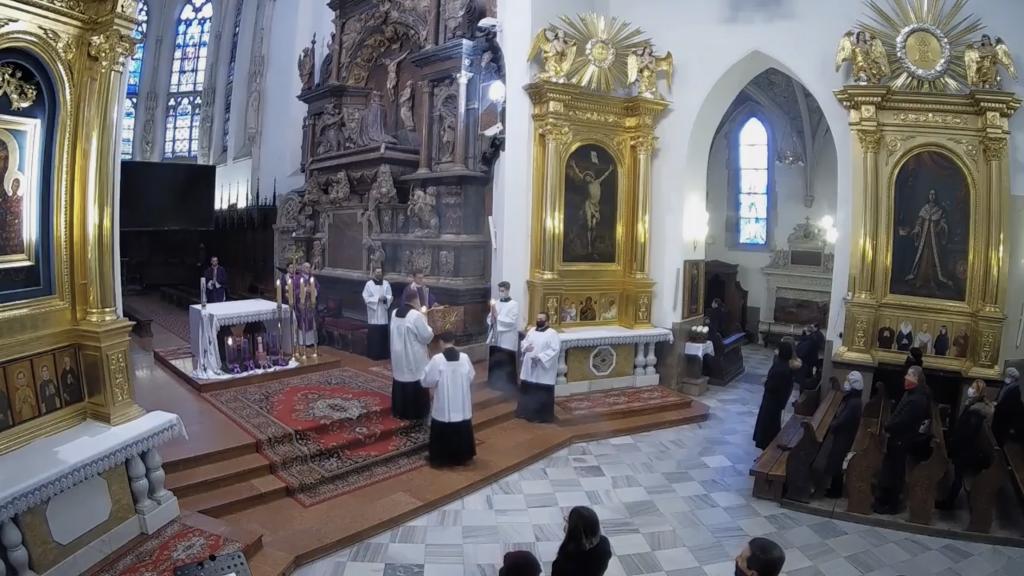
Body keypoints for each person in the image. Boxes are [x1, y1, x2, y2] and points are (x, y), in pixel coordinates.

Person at [874, 365, 932, 514]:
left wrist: (888, 426)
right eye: (907, 375)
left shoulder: (918, 399)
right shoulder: (911, 393)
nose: (906, 378)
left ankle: (893, 505)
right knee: (891, 469)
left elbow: (904, 421)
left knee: (896, 472)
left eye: (910, 375)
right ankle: (884, 499)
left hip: (902, 439)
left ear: (917, 379)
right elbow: (899, 412)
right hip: (898, 437)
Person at [936, 380, 994, 509]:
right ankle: (949, 500)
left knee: (958, 477)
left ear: (979, 392)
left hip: (965, 451)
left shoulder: (976, 412)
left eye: (974, 388)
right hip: (963, 448)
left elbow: (967, 434)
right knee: (957, 475)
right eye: (971, 387)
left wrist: (954, 445)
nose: (970, 390)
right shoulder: (973, 406)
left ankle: (949, 503)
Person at [421, 332, 476, 467]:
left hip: (444, 405)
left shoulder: (437, 360)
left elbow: (427, 380)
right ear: (454, 341)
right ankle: (462, 457)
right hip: (461, 403)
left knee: (442, 426)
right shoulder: (465, 358)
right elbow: (471, 376)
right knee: (461, 426)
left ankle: (441, 458)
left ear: (441, 342)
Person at [812, 371, 864, 498]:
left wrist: (831, 425)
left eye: (849, 381)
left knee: (837, 461)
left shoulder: (854, 403)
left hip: (844, 436)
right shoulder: (854, 399)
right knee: (836, 461)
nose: (846, 383)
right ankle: (834, 488)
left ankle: (836, 491)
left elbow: (843, 420)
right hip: (844, 435)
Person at [389, 290, 434, 420]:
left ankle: (399, 410)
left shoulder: (394, 312)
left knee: (401, 376)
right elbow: (426, 336)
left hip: (398, 354)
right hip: (412, 355)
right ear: (416, 300)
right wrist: (425, 318)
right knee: (415, 377)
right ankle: (417, 413)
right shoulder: (416, 315)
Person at [517, 312, 561, 423]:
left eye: (541, 319)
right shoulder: (532, 331)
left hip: (542, 368)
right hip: (529, 366)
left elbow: (554, 350)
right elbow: (524, 342)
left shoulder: (552, 334)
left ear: (547, 321)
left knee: (541, 390)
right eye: (537, 319)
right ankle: (525, 412)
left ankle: (541, 416)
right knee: (528, 387)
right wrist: (526, 347)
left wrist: (540, 357)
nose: (538, 321)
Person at [753, 341, 796, 450]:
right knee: (773, 425)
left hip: (772, 401)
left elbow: (772, 386)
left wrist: (765, 382)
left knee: (767, 427)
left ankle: (766, 449)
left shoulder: (779, 367)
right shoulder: (786, 366)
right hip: (778, 401)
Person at [551, 506, 612, 576]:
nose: (565, 523)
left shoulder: (563, 563)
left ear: (574, 532)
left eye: (567, 521)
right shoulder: (604, 543)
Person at [487, 281, 520, 393]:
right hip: (497, 335)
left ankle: (508, 384)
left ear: (507, 290)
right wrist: (492, 318)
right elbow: (490, 318)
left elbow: (511, 321)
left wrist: (498, 317)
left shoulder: (514, 304)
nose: (500, 293)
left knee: (507, 358)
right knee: (497, 357)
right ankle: (495, 381)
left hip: (508, 336)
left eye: (502, 291)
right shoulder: (496, 303)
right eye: (499, 291)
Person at [362, 267, 393, 360]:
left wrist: (386, 298)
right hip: (374, 314)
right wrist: (377, 299)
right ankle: (373, 354)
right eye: (377, 272)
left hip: (383, 312)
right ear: (374, 273)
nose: (379, 274)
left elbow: (390, 296)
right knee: (374, 334)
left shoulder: (386, 283)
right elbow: (366, 298)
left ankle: (383, 354)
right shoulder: (369, 284)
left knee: (382, 333)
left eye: (380, 272)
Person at [292, 262, 319, 353]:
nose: (308, 269)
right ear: (302, 268)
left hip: (310, 304)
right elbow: (294, 291)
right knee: (302, 320)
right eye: (307, 267)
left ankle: (311, 341)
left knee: (311, 320)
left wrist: (313, 290)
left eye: (309, 267)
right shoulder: (297, 278)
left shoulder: (312, 278)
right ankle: (302, 341)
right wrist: (304, 290)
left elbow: (318, 288)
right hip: (301, 304)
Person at [992, 371, 1024, 447]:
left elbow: (1009, 406)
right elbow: (999, 397)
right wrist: (995, 402)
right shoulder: (1005, 386)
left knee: (1000, 431)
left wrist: (997, 406)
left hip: (1006, 415)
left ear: (1014, 379)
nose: (1007, 378)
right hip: (1000, 410)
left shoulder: (1015, 390)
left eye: (1009, 376)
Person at [795, 324, 822, 388]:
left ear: (807, 332)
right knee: (808, 377)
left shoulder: (808, 341)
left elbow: (801, 353)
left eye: (804, 331)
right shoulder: (814, 339)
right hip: (810, 363)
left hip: (805, 364)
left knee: (802, 381)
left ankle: (803, 390)